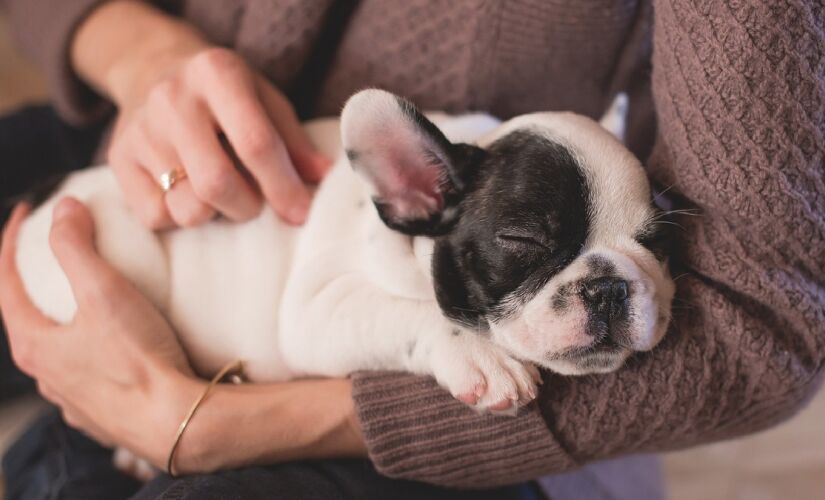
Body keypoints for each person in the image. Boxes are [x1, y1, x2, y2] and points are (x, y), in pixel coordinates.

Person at [0, 0, 823, 498]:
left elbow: (765, 319)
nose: (609, 289)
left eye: (649, 251)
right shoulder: (421, 192)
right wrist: (139, 51)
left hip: (308, 395)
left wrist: (200, 423)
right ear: (412, 193)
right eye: (532, 248)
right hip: (131, 199)